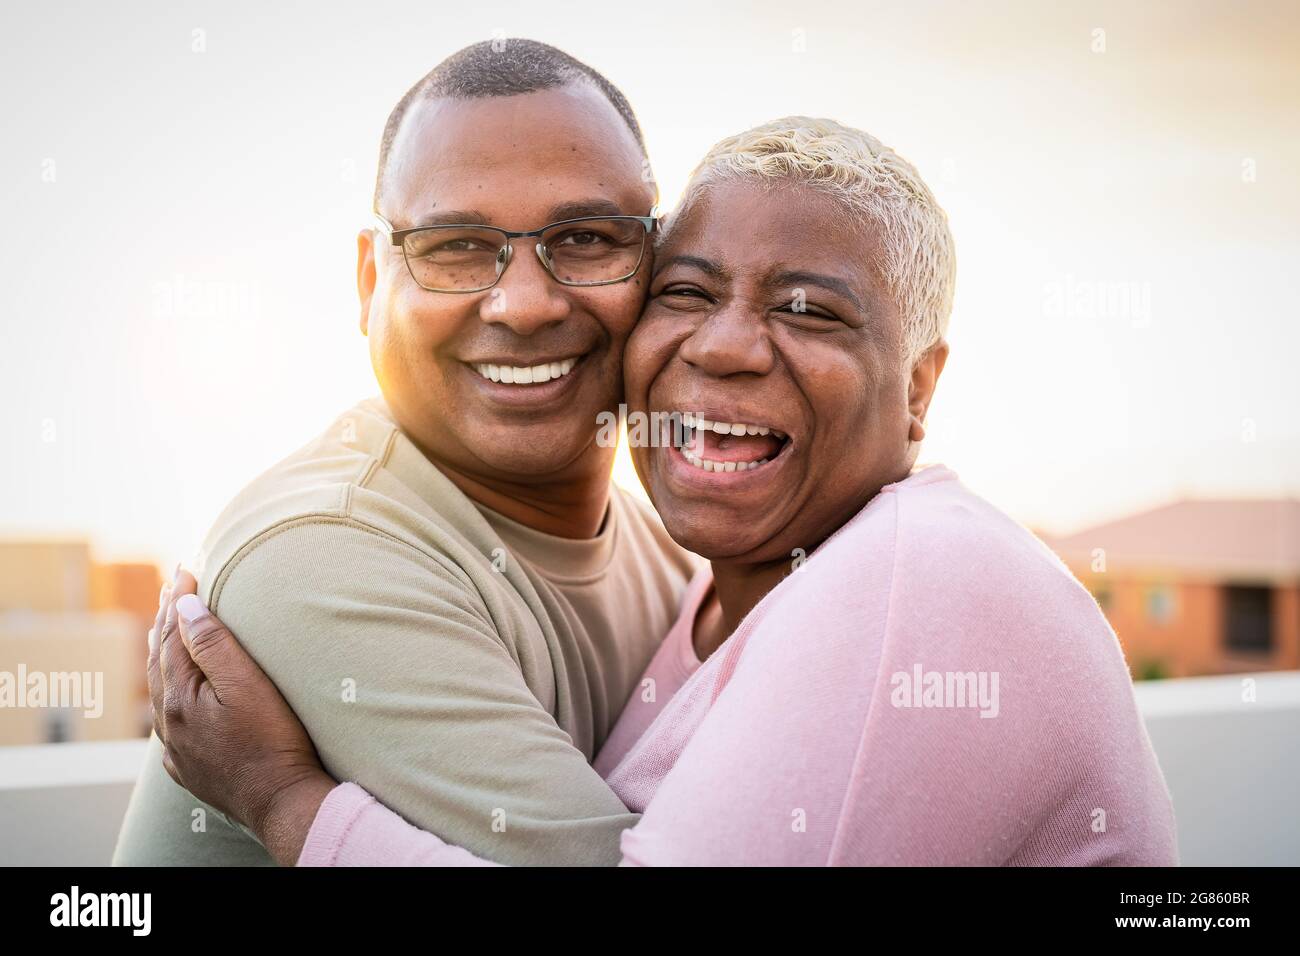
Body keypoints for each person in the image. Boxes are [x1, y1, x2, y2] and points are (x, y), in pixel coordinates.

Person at [148, 118, 1179, 866]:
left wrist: (290, 805)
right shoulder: (721, 591)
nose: (725, 343)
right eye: (685, 292)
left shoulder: (923, 574)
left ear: (916, 387)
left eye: (810, 309)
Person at [113, 39, 699, 867]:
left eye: (586, 237)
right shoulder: (322, 555)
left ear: (660, 262)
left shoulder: (669, 551)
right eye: (454, 245)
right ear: (368, 283)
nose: (524, 304)